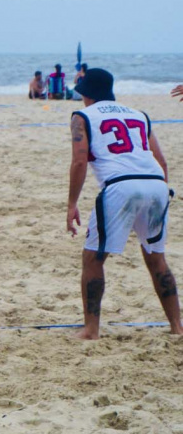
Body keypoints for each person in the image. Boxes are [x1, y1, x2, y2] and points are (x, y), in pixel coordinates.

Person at [67, 69, 183, 340]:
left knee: (93, 258)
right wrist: (159, 195)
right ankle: (177, 326)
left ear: (86, 94)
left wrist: (71, 203)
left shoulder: (81, 116)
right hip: (156, 183)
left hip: (120, 185)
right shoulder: (138, 114)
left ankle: (91, 330)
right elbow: (162, 162)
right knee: (156, 258)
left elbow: (80, 161)